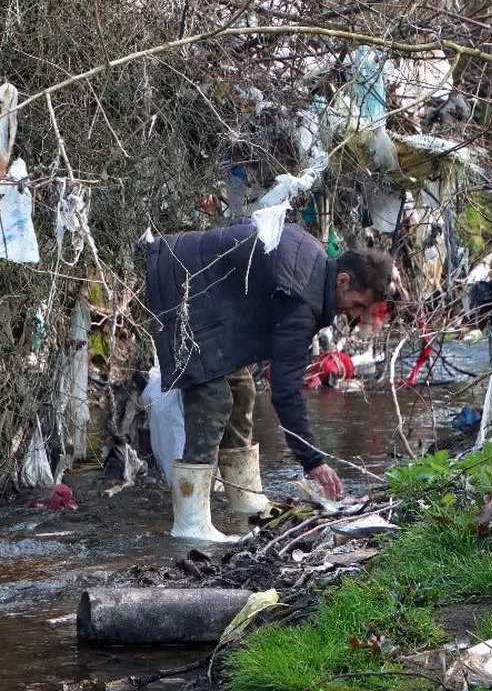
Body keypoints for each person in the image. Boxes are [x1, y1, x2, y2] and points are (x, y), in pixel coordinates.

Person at [143, 220, 393, 541]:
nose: (353, 314)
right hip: (178, 282)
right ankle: (190, 524)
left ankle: (245, 499)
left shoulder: (317, 265)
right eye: (357, 304)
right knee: (212, 399)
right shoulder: (303, 299)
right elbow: (286, 391)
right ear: (344, 281)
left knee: (242, 389)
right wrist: (313, 461)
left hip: (203, 292)